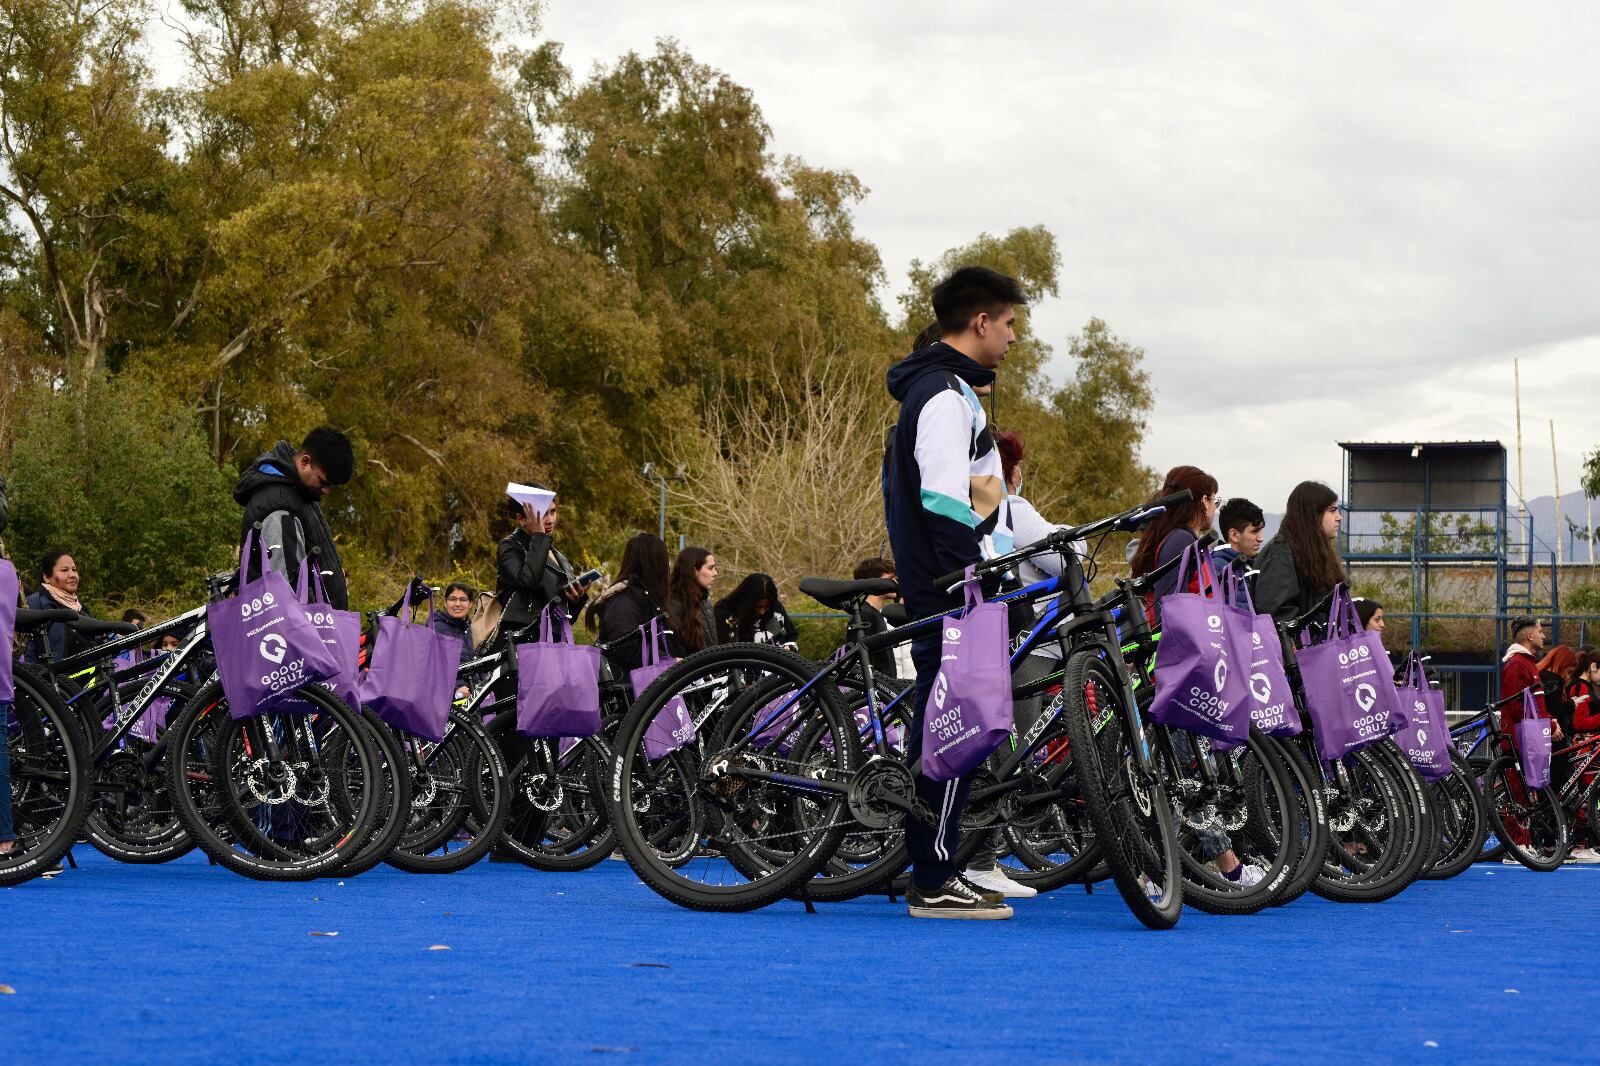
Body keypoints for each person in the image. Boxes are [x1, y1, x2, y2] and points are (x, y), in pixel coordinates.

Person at [884, 264, 1024, 920]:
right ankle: (934, 879)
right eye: (1010, 323)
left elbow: (978, 497)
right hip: (944, 586)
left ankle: (936, 865)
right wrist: (970, 574)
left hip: (947, 581)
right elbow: (943, 498)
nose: (1014, 337)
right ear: (979, 322)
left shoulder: (953, 391)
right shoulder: (941, 394)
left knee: (947, 727)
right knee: (952, 727)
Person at [1130, 466, 1265, 889]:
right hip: (1177, 662)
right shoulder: (1183, 541)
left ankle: (1166, 866)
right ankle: (1219, 865)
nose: (1215, 508)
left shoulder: (1169, 538)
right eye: (1215, 499)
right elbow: (1179, 605)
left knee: (1179, 768)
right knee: (1188, 770)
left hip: (1167, 660)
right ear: (1202, 501)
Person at [234, 427, 354, 609]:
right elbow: (287, 594)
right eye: (323, 482)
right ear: (305, 462)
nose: (326, 491)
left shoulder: (301, 493)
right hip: (297, 633)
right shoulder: (280, 508)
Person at [1254, 481, 1347, 628]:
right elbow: (1277, 615)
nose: (1339, 517)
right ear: (1312, 514)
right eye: (1332, 510)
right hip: (1302, 649)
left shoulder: (1313, 551)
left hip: (1321, 648)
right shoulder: (1281, 552)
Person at [495, 486, 583, 639]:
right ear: (521, 518)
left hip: (555, 641)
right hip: (524, 642)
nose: (550, 520)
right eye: (542, 514)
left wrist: (575, 599)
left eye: (553, 511)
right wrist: (539, 537)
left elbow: (565, 618)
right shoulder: (511, 546)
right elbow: (527, 581)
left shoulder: (557, 556)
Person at [588, 533, 671, 675]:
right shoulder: (623, 599)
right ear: (655, 564)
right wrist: (667, 661)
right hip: (625, 688)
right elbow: (625, 647)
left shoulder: (645, 597)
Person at [26, 551, 100, 661]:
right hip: (50, 676)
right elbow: (28, 652)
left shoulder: (81, 608)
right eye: (64, 570)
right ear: (46, 577)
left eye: (74, 570)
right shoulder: (34, 604)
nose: (72, 575)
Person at [1563, 647, 1600, 863]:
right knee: (1583, 795)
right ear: (1593, 667)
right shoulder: (1580, 686)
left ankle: (1583, 843)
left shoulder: (1585, 686)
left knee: (1587, 795)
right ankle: (1579, 844)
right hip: (1583, 747)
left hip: (1589, 747)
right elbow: (1579, 722)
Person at [714, 574, 799, 650]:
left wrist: (789, 647)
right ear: (747, 602)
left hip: (776, 665)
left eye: (767, 607)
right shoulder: (725, 612)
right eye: (758, 607)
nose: (762, 611)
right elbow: (718, 647)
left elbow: (791, 637)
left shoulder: (777, 609)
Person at [666, 547, 719, 655]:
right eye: (710, 568)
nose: (715, 573)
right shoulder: (673, 606)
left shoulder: (705, 602)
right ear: (694, 571)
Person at [1213, 498, 1266, 577]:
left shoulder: (1257, 566)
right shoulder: (1216, 568)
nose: (1261, 538)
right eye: (1255, 531)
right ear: (1234, 535)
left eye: (1260, 530)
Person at [432, 582, 475, 657]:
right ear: (445, 603)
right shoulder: (436, 629)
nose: (458, 604)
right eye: (453, 599)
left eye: (463, 600)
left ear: (470, 604)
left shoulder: (472, 628)